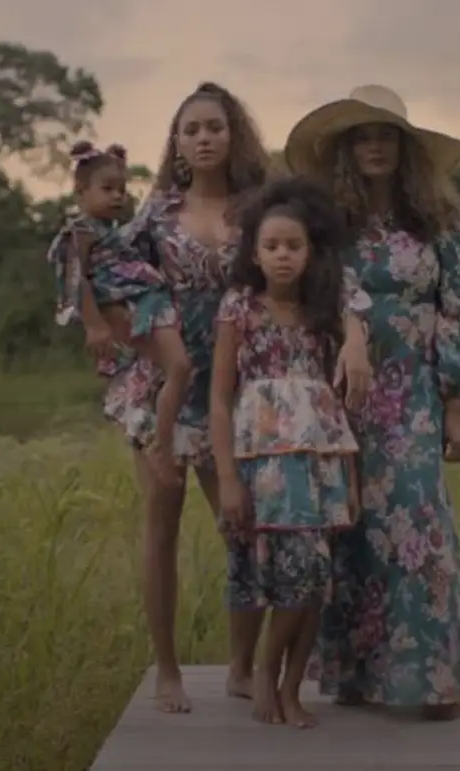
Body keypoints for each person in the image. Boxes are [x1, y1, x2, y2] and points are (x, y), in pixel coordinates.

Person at [101, 82, 373, 713]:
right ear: (177, 140)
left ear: (233, 134)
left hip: (245, 395)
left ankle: (241, 665)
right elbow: (112, 279)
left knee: (244, 529)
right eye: (191, 128)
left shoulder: (260, 208)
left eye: (215, 127)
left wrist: (355, 333)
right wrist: (115, 335)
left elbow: (335, 275)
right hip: (168, 388)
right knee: (161, 527)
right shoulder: (155, 216)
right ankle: (166, 669)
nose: (204, 138)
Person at [283, 85, 460, 719]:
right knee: (351, 526)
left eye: (386, 135)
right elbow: (309, 290)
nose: (375, 145)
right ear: (348, 150)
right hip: (342, 387)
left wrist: (457, 406)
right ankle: (358, 676)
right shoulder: (327, 221)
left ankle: (431, 681)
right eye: (363, 136)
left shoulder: (445, 220)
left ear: (404, 148)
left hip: (416, 391)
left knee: (417, 521)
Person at [210, 176, 363, 728]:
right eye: (272, 246)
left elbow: (331, 406)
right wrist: (226, 477)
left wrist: (350, 474)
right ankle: (264, 674)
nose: (282, 256)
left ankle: (289, 683)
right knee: (277, 578)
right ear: (254, 252)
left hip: (316, 467)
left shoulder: (322, 311)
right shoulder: (239, 309)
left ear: (309, 251)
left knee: (314, 579)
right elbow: (221, 399)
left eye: (293, 246)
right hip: (262, 468)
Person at [46, 141, 190, 485]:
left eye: (122, 190)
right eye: (107, 189)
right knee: (178, 367)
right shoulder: (79, 232)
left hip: (144, 303)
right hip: (125, 311)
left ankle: (156, 438)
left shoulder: (113, 232)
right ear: (81, 192)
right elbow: (77, 280)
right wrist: (95, 326)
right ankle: (163, 443)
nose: (117, 197)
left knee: (163, 375)